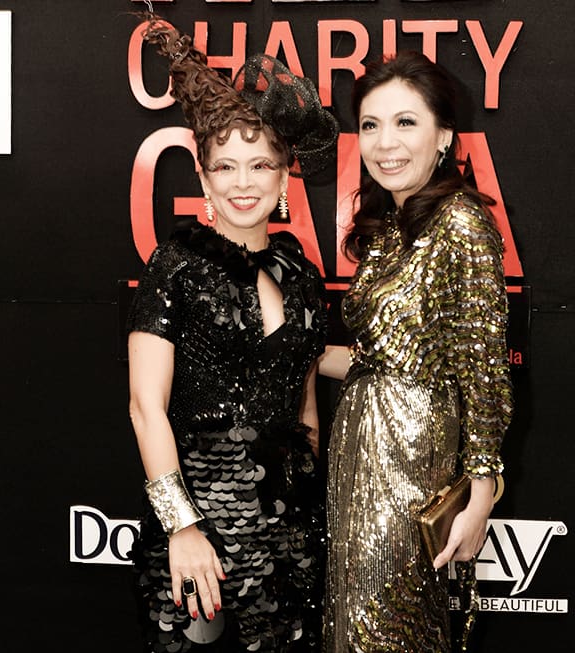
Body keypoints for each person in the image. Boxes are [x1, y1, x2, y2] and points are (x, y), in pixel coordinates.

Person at [125, 21, 339, 653]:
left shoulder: (300, 272)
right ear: (204, 178)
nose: (243, 183)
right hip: (202, 524)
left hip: (291, 527)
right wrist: (181, 526)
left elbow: (304, 402)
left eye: (260, 165)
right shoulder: (176, 266)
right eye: (226, 166)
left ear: (283, 177)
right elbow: (145, 407)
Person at [319, 50, 513, 653]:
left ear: (444, 136)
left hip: (413, 467)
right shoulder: (388, 226)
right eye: (370, 125)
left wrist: (481, 493)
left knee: (390, 629)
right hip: (360, 454)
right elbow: (377, 361)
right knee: (352, 624)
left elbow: (484, 372)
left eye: (406, 122)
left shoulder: (461, 225)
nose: (385, 143)